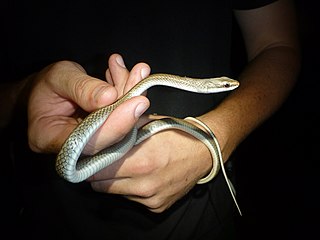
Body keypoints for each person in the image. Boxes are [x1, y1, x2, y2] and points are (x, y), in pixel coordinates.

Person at [2, 0, 300, 239]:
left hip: (204, 218)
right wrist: (25, 95)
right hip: (46, 221)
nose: (228, 84)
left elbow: (278, 45)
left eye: (224, 84)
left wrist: (213, 138)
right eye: (224, 85)